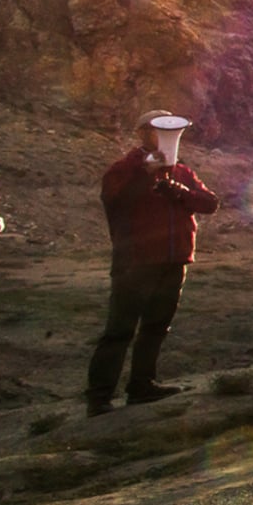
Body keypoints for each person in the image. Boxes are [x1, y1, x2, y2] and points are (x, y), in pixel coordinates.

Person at [89, 111, 219, 414]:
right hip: (136, 261)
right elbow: (113, 200)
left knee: (156, 326)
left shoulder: (181, 172)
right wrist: (144, 175)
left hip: (174, 260)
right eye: (156, 130)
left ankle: (141, 385)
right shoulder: (124, 169)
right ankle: (99, 397)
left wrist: (178, 191)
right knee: (119, 330)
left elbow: (210, 203)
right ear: (142, 134)